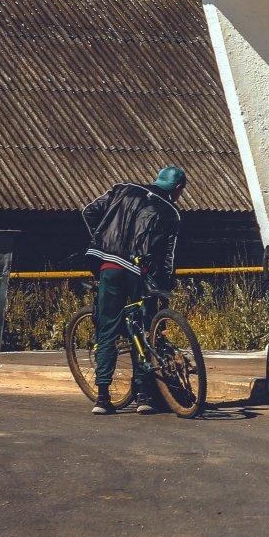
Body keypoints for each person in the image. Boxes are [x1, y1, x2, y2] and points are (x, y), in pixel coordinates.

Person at [81, 166, 186, 415]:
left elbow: (89, 211)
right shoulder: (171, 212)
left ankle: (102, 398)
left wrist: (102, 239)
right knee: (144, 329)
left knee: (107, 329)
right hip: (140, 272)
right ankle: (143, 396)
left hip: (109, 265)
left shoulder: (123, 190)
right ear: (177, 188)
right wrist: (164, 288)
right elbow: (168, 258)